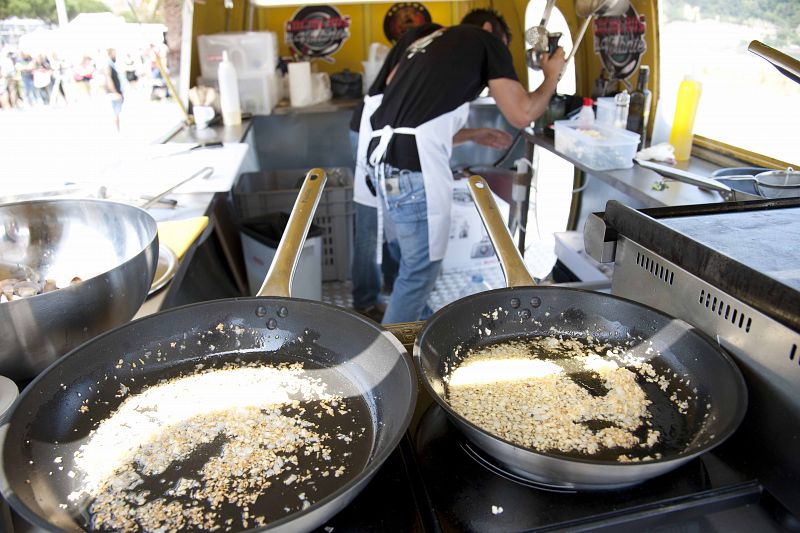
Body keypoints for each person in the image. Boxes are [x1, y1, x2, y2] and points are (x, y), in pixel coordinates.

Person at [356, 8, 565, 324]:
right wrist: (552, 75)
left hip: (383, 166)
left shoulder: (425, 43)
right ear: (488, 28)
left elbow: (414, 122)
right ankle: (387, 359)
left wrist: (473, 134)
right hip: (415, 175)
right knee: (419, 274)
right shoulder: (484, 39)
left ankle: (416, 325)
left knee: (405, 261)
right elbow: (523, 114)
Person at [105, 48, 124, 131]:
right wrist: (115, 92)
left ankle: (118, 130)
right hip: (114, 93)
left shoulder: (113, 64)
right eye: (114, 53)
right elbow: (108, 79)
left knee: (118, 113)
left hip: (117, 91)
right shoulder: (108, 64)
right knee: (115, 113)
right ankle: (117, 131)